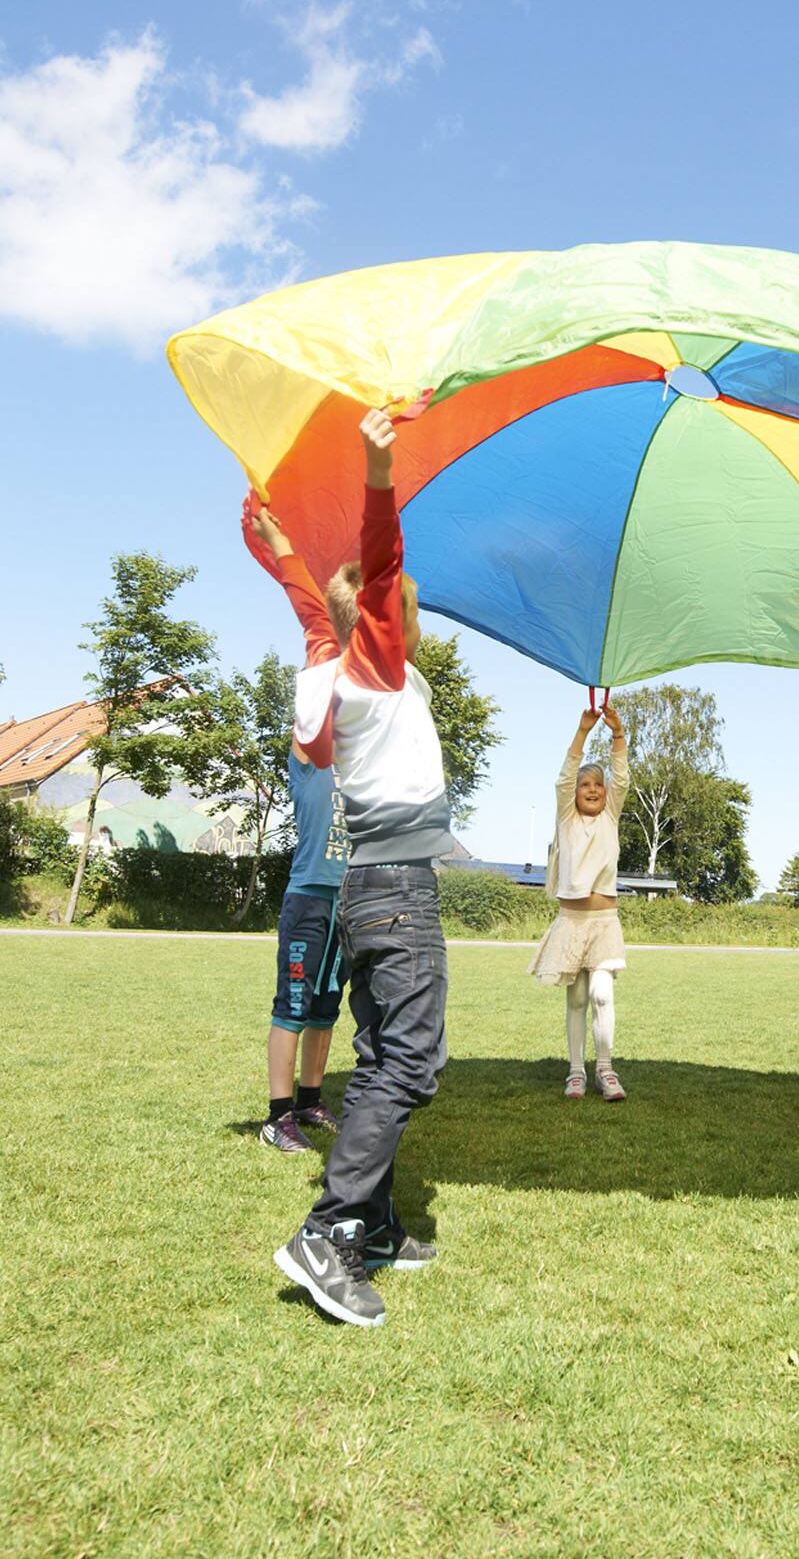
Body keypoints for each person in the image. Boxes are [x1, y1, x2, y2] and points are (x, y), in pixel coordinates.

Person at [252, 408, 450, 1328]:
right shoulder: (376, 668)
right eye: (398, 601)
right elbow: (377, 566)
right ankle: (329, 1233)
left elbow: (316, 612)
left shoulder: (337, 668)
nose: (405, 604)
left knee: (380, 1056)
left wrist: (282, 554)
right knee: (409, 1061)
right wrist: (378, 469)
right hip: (398, 893)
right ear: (385, 616)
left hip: (373, 891)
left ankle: (371, 1226)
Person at [528, 704, 631, 1101]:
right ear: (573, 794)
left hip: (604, 923)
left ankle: (605, 1070)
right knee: (578, 998)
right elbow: (564, 776)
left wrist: (617, 734)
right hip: (571, 922)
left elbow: (622, 777)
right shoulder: (568, 819)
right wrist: (583, 732)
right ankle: (576, 1073)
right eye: (584, 785)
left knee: (602, 994)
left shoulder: (610, 818)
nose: (592, 790)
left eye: (598, 785)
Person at [258, 735, 350, 1153]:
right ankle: (278, 1117)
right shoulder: (310, 765)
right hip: (308, 900)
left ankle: (310, 1102)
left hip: (346, 902)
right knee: (293, 1004)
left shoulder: (361, 774)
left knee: (326, 1006)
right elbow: (307, 718)